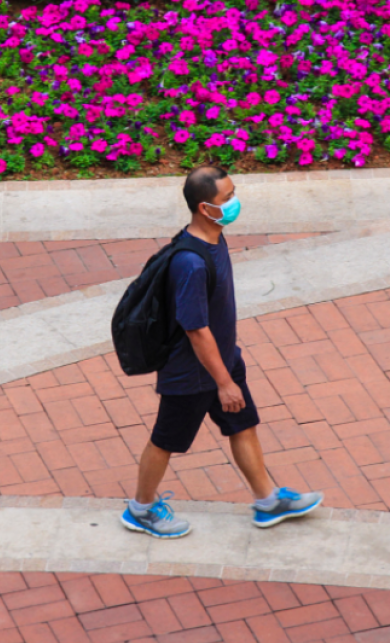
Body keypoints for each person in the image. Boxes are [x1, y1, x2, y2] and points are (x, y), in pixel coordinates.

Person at [121, 165, 323, 538]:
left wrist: (229, 369)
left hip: (224, 362)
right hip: (195, 375)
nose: (234, 202)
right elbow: (196, 331)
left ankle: (267, 502)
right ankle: (141, 510)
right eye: (226, 198)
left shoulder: (214, 238)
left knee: (243, 425)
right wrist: (224, 382)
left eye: (233, 193)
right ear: (204, 208)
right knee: (165, 440)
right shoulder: (191, 263)